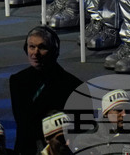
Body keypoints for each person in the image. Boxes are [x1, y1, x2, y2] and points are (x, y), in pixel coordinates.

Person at [9, 26, 83, 155]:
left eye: (42, 47)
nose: (35, 53)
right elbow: (22, 124)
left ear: (54, 51)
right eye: (31, 47)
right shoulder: (17, 81)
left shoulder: (73, 86)